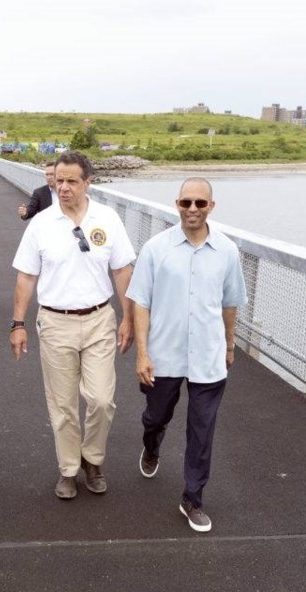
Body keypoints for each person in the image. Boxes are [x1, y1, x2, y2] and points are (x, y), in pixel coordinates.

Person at [10, 150, 135, 500]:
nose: (63, 187)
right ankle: (69, 469)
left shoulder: (108, 219)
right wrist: (17, 323)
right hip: (55, 321)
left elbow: (123, 270)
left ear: (88, 183)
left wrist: (128, 318)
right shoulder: (41, 224)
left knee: (100, 399)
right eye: (58, 180)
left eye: (71, 181)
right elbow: (26, 277)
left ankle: (92, 459)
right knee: (63, 405)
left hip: (99, 319)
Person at [127, 177, 247, 533]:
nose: (192, 209)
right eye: (186, 203)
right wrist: (142, 354)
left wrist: (228, 344)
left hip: (208, 358)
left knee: (202, 431)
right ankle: (152, 444)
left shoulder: (227, 251)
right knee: (155, 415)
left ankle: (192, 498)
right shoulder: (155, 249)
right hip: (163, 354)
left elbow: (230, 303)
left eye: (199, 203)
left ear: (212, 206)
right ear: (176, 204)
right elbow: (141, 302)